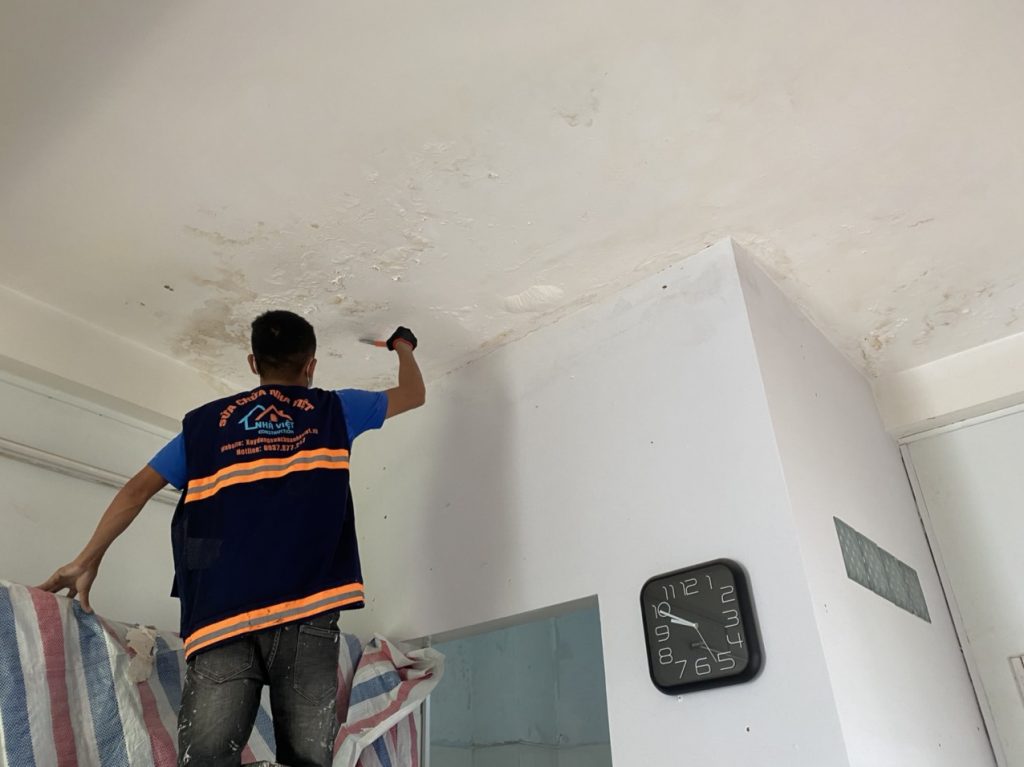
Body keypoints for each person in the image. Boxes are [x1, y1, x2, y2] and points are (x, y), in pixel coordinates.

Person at [39, 311, 425, 767]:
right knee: (308, 761)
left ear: (252, 363)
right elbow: (413, 394)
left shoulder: (205, 428)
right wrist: (402, 346)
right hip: (308, 612)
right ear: (311, 365)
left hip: (221, 618)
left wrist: (86, 559)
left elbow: (136, 491)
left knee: (205, 761)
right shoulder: (336, 410)